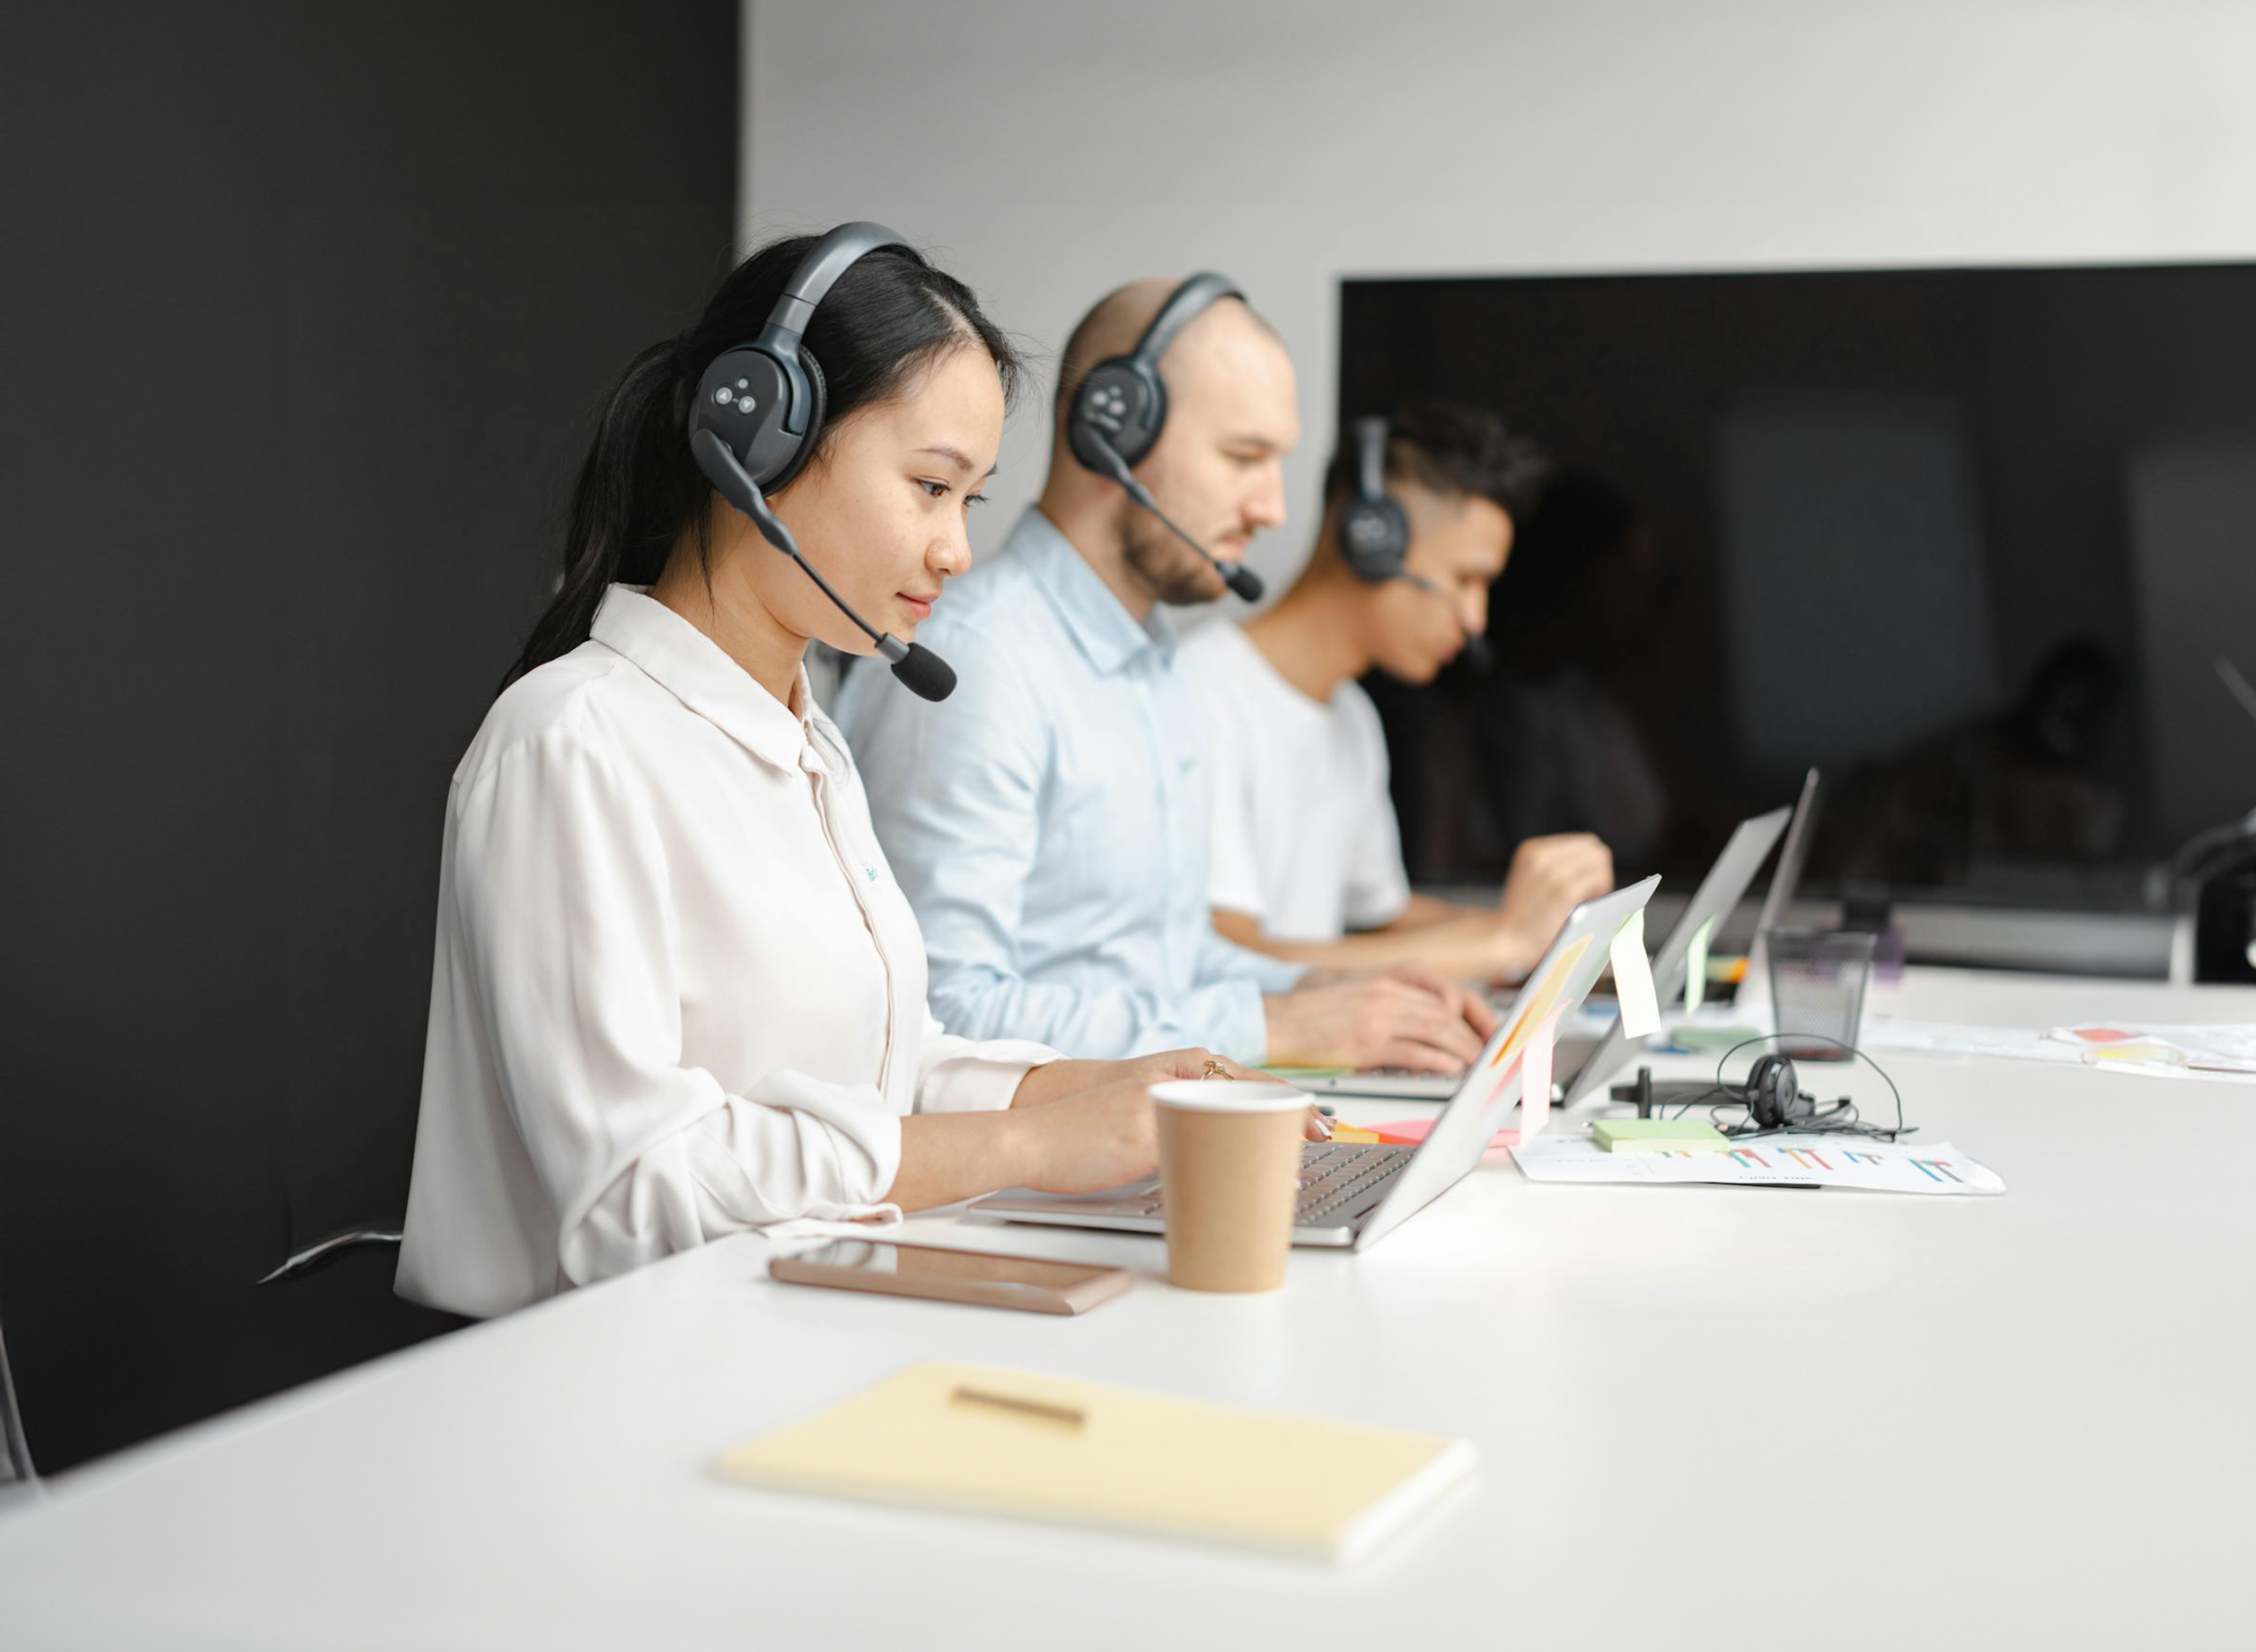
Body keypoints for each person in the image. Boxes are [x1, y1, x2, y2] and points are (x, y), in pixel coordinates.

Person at [397, 231, 1309, 1321]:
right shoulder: (573, 740)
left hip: (792, 1332)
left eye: (968, 501)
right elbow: (635, 1194)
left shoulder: (808, 740)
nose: (956, 549)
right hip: (607, 1389)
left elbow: (877, 1061)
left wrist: (1089, 1088)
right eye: (929, 485)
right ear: (759, 437)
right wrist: (1023, 1141)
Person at [838, 276, 1493, 1074]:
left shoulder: (1157, 664)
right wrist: (1281, 1031)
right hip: (1011, 1186)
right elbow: (941, 1011)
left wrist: (1335, 993)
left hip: (1143, 1150)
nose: (1273, 509)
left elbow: (1169, 966)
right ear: (1116, 424)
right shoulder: (982, 665)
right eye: (1243, 457)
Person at [1187, 402, 1612, 982]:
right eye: (1466, 579)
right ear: (1371, 538)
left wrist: (1548, 937)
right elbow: (1232, 963)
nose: (1475, 620)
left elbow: (1387, 919)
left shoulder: (1352, 717)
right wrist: (1499, 943)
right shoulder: (1202, 692)